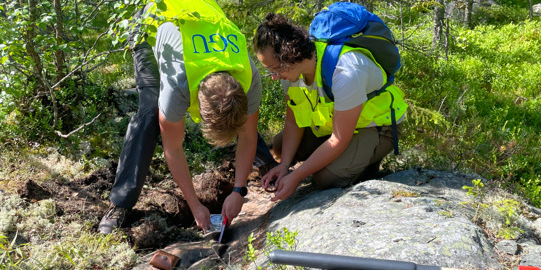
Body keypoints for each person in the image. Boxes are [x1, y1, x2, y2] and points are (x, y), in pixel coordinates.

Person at [99, 0, 276, 234]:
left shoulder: (249, 75)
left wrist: (239, 190)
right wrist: (194, 205)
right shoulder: (178, 86)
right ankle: (120, 202)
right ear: (197, 108)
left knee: (235, 116)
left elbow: (248, 133)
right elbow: (173, 149)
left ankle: (266, 166)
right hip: (151, 24)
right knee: (151, 113)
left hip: (196, 14)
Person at [253, 13, 408, 201]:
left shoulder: (345, 71)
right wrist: (285, 165)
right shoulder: (292, 74)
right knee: (280, 145)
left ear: (289, 55)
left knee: (326, 178)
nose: (273, 76)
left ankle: (366, 165)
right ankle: (347, 159)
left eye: (275, 68)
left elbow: (339, 139)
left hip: (377, 126)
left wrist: (296, 176)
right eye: (268, 70)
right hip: (340, 127)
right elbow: (293, 123)